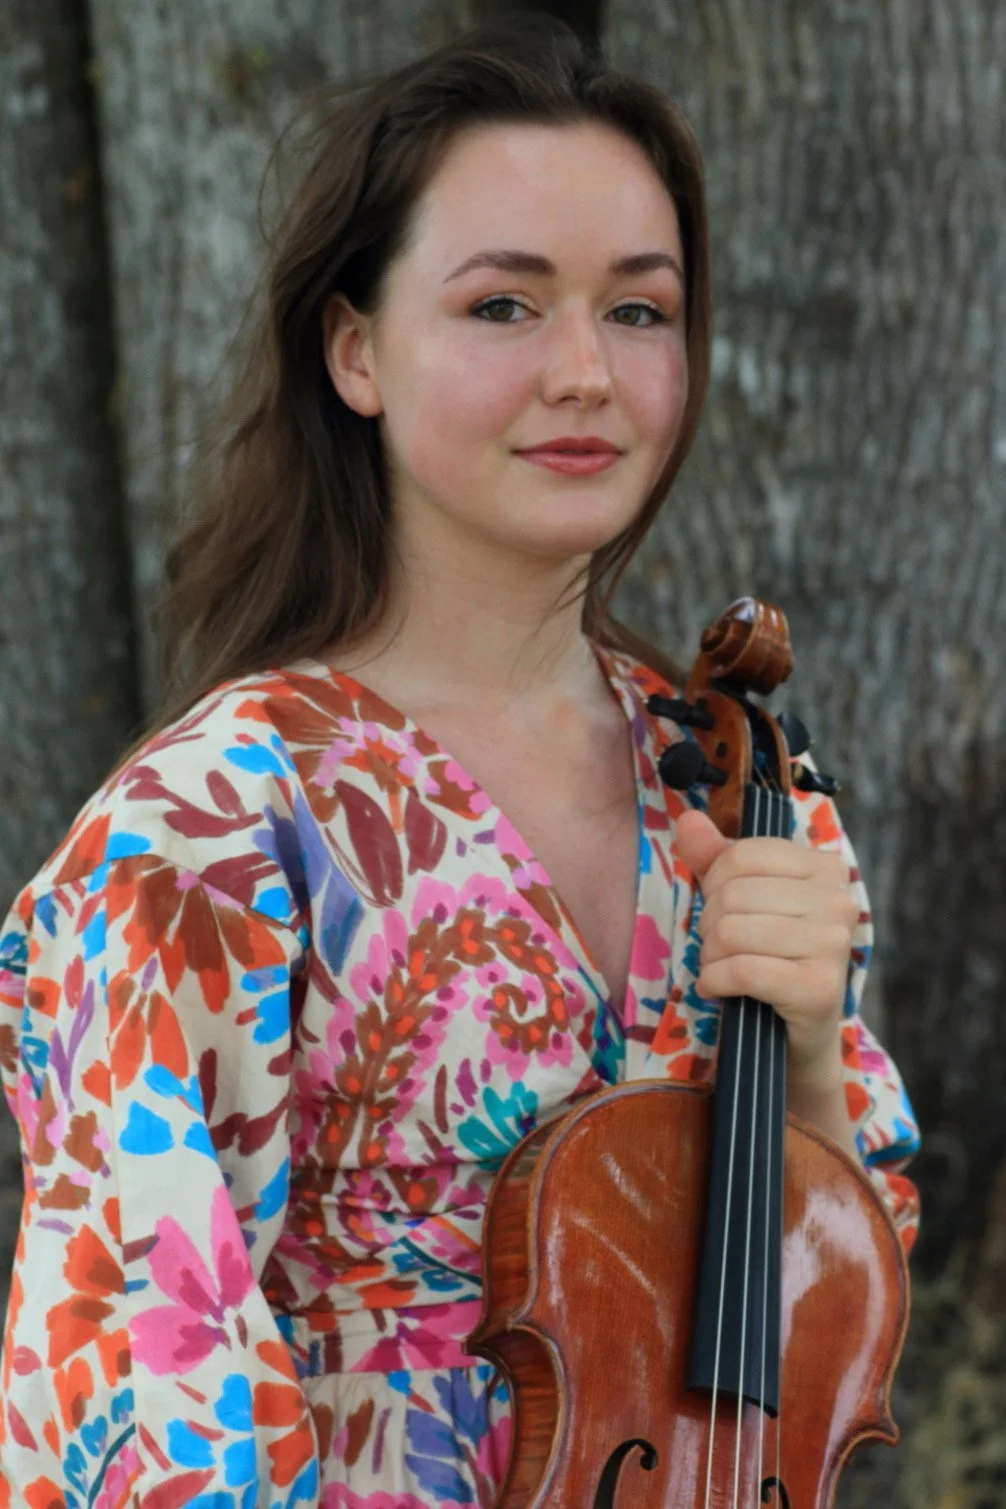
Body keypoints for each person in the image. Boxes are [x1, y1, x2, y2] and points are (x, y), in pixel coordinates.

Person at [0, 17, 919, 1508]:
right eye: (503, 305)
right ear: (355, 350)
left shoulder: (742, 800)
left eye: (639, 310)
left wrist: (809, 1057)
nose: (586, 372)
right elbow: (135, 1393)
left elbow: (826, 1342)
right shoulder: (215, 827)